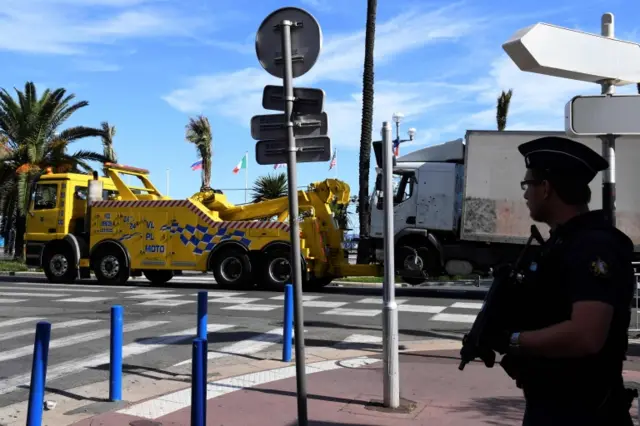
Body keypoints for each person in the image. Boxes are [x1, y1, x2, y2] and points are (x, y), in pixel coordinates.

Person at [493, 136, 636, 425]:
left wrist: (514, 341)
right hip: (554, 404)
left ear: (545, 188)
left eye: (527, 185)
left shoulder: (593, 245)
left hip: (582, 412)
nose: (524, 195)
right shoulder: (563, 243)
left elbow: (586, 335)